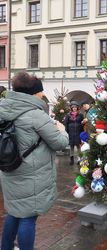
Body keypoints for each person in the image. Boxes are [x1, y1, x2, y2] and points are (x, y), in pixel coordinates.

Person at [0, 72, 69, 250]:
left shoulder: (3, 108)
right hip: (32, 175)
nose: (42, 95)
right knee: (28, 217)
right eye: (40, 91)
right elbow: (60, 143)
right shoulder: (36, 115)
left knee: (14, 212)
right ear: (32, 93)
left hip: (9, 169)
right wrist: (61, 129)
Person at [64, 101, 84, 165]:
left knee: (78, 147)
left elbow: (82, 123)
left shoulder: (80, 115)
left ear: (77, 108)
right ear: (71, 108)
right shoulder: (68, 115)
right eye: (73, 107)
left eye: (75, 107)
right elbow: (66, 123)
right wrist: (67, 132)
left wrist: (82, 132)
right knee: (71, 147)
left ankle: (79, 159)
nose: (74, 108)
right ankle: (71, 159)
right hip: (71, 133)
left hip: (78, 132)